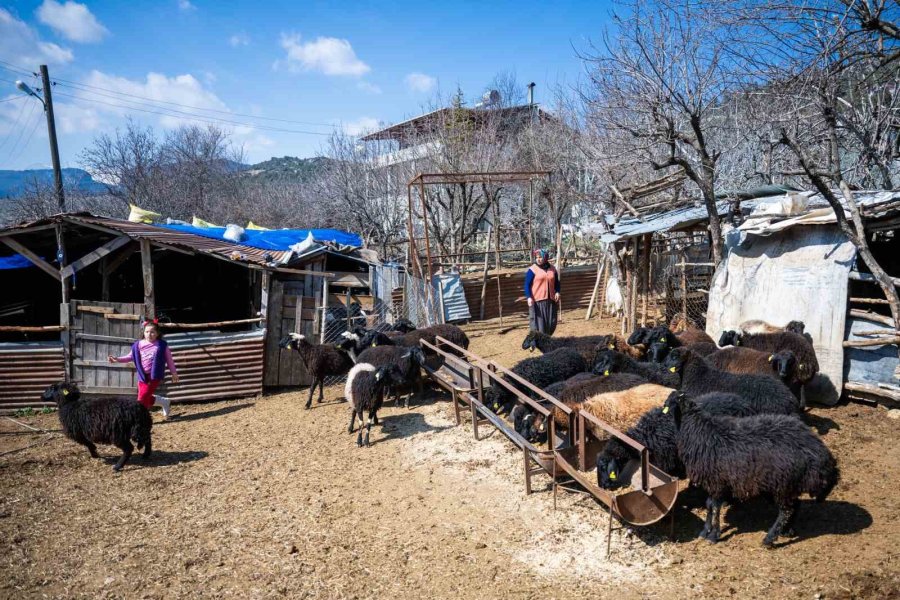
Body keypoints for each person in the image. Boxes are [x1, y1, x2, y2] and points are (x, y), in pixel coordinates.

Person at [108, 320, 178, 417]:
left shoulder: (162, 345)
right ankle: (163, 402)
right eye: (147, 332)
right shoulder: (138, 345)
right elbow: (130, 357)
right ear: (143, 332)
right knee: (145, 396)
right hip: (142, 376)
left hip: (154, 376)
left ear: (157, 333)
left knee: (142, 397)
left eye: (152, 332)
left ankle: (140, 417)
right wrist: (117, 359)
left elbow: (169, 360)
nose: (149, 334)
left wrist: (173, 373)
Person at [525, 248, 560, 335]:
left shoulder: (552, 269)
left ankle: (547, 339)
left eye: (540, 257)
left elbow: (557, 283)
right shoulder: (532, 270)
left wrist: (557, 292)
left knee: (551, 322)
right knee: (539, 324)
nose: (538, 259)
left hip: (551, 301)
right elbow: (526, 285)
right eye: (536, 257)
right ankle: (536, 342)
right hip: (537, 301)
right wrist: (529, 297)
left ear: (545, 257)